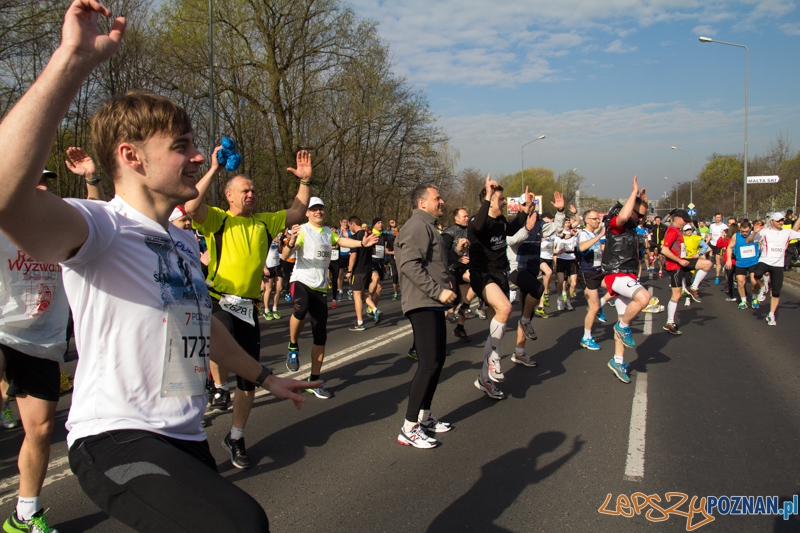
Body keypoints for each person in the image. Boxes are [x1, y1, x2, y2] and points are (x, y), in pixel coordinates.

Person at [0, 3, 318, 530]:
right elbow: (7, 195)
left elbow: (199, 322)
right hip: (115, 436)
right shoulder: (101, 227)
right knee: (241, 524)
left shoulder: (179, 239)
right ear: (131, 156)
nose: (198, 157)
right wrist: (72, 61)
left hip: (187, 438)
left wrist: (263, 376)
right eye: (182, 147)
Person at [185, 141, 312, 469]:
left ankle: (237, 436)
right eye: (244, 190)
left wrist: (305, 181)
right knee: (221, 352)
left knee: (250, 377)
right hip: (218, 302)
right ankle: (213, 390)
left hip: (248, 308)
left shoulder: (264, 222)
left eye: (253, 190)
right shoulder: (217, 219)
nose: (251, 194)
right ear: (229, 196)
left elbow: (297, 212)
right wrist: (213, 168)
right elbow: (190, 205)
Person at [0, 171, 73, 533]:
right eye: (34, 183)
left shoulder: (61, 230)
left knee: (41, 429)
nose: (42, 189)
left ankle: (24, 515)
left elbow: (105, 221)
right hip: (2, 330)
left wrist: (92, 179)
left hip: (43, 340)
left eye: (46, 182)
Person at [281, 197, 376, 398]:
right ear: (307, 213)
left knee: (320, 336)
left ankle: (313, 380)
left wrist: (361, 243)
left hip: (320, 287)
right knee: (300, 308)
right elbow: (285, 255)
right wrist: (290, 241)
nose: (318, 212)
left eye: (321, 209)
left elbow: (341, 241)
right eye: (314, 209)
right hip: (300, 281)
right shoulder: (302, 230)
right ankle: (293, 345)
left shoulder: (327, 233)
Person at [395, 185, 464, 448]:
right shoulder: (416, 225)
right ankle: (409, 427)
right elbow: (409, 264)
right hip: (422, 302)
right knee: (428, 364)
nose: (442, 201)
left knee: (436, 361)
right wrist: (438, 292)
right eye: (438, 198)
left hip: (431, 303)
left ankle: (424, 417)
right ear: (423, 203)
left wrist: (455, 253)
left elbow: (432, 261)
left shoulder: (428, 226)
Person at [468, 175, 535, 399]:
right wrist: (487, 196)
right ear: (490, 200)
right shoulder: (479, 221)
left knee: (495, 332)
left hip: (500, 275)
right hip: (482, 275)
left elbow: (510, 227)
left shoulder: (500, 221)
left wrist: (525, 211)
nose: (505, 201)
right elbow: (477, 226)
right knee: (506, 309)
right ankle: (494, 358)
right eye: (502, 198)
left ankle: (484, 379)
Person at [601, 176, 652, 384]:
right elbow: (622, 218)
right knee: (644, 298)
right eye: (639, 215)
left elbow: (634, 217)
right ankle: (622, 326)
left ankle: (618, 360)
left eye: (643, 216)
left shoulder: (633, 227)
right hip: (617, 273)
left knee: (624, 317)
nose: (641, 219)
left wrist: (641, 202)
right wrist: (633, 194)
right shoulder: (616, 224)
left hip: (627, 274)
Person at [507, 192, 566, 364]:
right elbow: (511, 241)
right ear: (519, 207)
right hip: (517, 269)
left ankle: (519, 352)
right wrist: (526, 229)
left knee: (528, 314)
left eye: (532, 205)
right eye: (526, 205)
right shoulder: (512, 224)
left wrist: (561, 211)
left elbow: (558, 228)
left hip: (532, 270)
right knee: (538, 289)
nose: (530, 208)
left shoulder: (539, 224)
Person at [660, 213, 713, 335]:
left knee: (707, 264)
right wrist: (679, 260)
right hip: (675, 266)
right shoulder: (672, 231)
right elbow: (664, 250)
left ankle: (693, 288)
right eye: (685, 221)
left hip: (683, 262)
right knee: (676, 295)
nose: (686, 223)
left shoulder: (678, 230)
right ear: (677, 219)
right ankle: (669, 323)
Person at [748, 212, 800, 325]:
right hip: (765, 260)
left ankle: (771, 314)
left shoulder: (787, 233)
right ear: (771, 221)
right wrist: (754, 233)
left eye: (782, 220)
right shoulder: (765, 232)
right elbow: (749, 240)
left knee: (776, 292)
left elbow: (796, 231)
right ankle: (763, 287)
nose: (781, 222)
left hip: (778, 265)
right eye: (778, 220)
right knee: (757, 274)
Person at [441, 207, 474, 341]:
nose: (467, 218)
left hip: (466, 268)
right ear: (456, 218)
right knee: (452, 303)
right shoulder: (449, 233)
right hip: (453, 268)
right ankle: (436, 335)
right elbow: (443, 254)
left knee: (465, 299)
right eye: (464, 216)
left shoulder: (470, 231)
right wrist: (458, 257)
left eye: (467, 216)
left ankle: (460, 327)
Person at [347, 216, 384, 330]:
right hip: (368, 268)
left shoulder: (354, 237)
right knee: (361, 293)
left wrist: (349, 271)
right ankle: (375, 309)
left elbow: (353, 256)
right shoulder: (367, 234)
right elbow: (373, 251)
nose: (349, 228)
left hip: (358, 270)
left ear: (353, 224)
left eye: (349, 226)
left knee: (356, 296)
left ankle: (360, 323)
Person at [577, 209, 606, 350]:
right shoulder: (583, 234)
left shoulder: (594, 234)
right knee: (593, 308)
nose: (598, 221)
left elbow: (601, 250)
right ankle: (586, 338)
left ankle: (601, 304)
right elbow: (582, 247)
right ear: (587, 220)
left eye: (598, 219)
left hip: (598, 271)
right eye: (595, 219)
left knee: (615, 287)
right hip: (587, 273)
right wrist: (599, 236)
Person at [707, 213, 728, 284]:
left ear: (721, 218)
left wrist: (725, 245)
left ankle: (722, 272)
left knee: (720, 261)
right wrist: (706, 243)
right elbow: (710, 235)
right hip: (713, 244)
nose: (718, 218)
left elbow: (726, 236)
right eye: (717, 217)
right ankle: (717, 277)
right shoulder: (712, 226)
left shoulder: (724, 226)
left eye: (719, 217)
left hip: (720, 245)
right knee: (717, 262)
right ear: (714, 218)